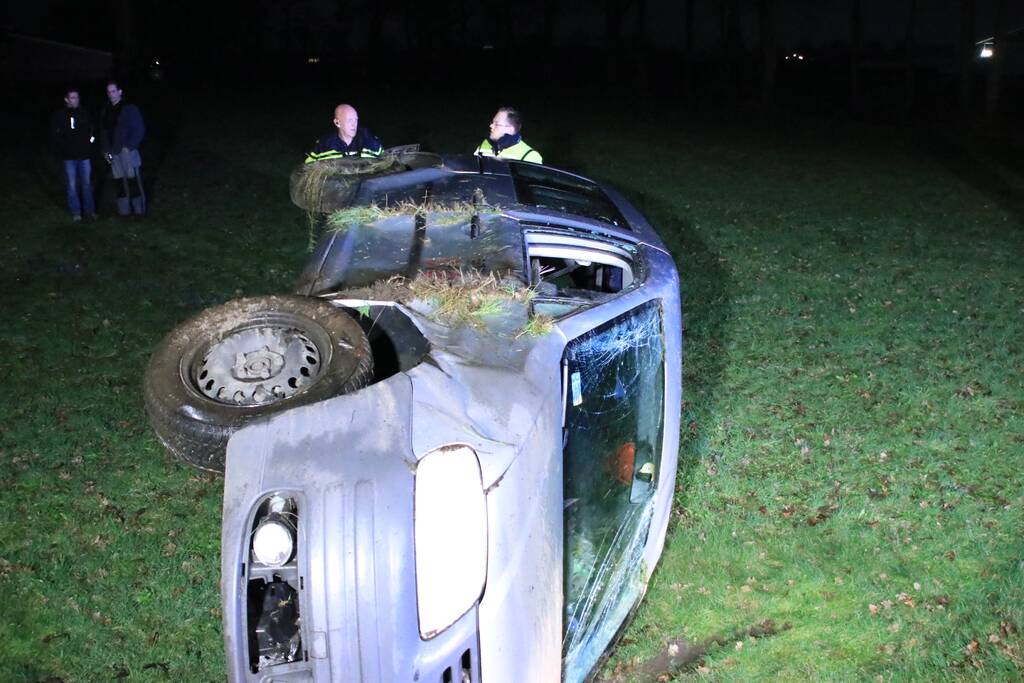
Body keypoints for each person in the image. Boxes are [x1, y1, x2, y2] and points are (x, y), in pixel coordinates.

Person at [49, 88, 97, 221]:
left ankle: (90, 211)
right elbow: (55, 134)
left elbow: (93, 131)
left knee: (87, 184)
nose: (74, 100)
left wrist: (90, 144)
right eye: (72, 98)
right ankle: (76, 212)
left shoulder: (85, 114)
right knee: (72, 186)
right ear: (67, 100)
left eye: (76, 97)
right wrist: (62, 147)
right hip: (69, 157)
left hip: (84, 156)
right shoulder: (60, 115)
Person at [100, 81, 146, 216]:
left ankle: (139, 212)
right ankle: (124, 212)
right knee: (119, 182)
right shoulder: (106, 110)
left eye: (113, 91)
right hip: (113, 153)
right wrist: (105, 151)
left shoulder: (129, 108)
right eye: (109, 92)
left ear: (120, 92)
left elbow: (139, 129)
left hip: (127, 152)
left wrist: (129, 146)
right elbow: (103, 132)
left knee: (133, 180)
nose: (111, 94)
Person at [304, 104, 383, 163]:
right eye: (349, 120)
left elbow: (384, 162)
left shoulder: (370, 142)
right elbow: (307, 168)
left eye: (356, 120)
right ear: (337, 123)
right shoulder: (323, 146)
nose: (354, 125)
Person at [474, 107, 542, 164]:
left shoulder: (530, 155)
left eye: (496, 124)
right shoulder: (484, 144)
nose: (491, 126)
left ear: (510, 129)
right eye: (492, 122)